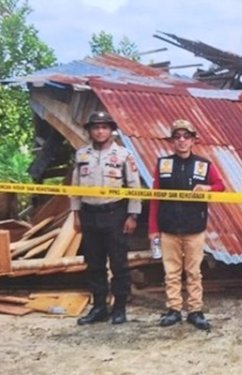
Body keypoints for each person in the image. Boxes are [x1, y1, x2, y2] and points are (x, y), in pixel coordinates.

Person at [148, 119, 225, 331]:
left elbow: (221, 186)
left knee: (194, 272)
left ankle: (195, 311)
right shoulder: (163, 164)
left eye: (186, 137)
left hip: (194, 228)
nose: (182, 141)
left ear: (193, 140)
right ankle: (173, 309)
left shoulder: (203, 164)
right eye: (177, 137)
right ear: (172, 141)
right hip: (168, 228)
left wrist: (207, 188)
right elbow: (155, 198)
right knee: (171, 272)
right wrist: (153, 229)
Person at [71, 111, 141, 325]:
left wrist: (133, 215)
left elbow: (134, 187)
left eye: (104, 127)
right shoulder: (81, 155)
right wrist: (75, 213)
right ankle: (99, 306)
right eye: (96, 127)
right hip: (89, 214)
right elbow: (75, 187)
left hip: (115, 214)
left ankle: (119, 307)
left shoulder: (123, 155)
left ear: (111, 130)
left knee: (119, 263)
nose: (100, 131)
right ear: (90, 131)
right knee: (94, 263)